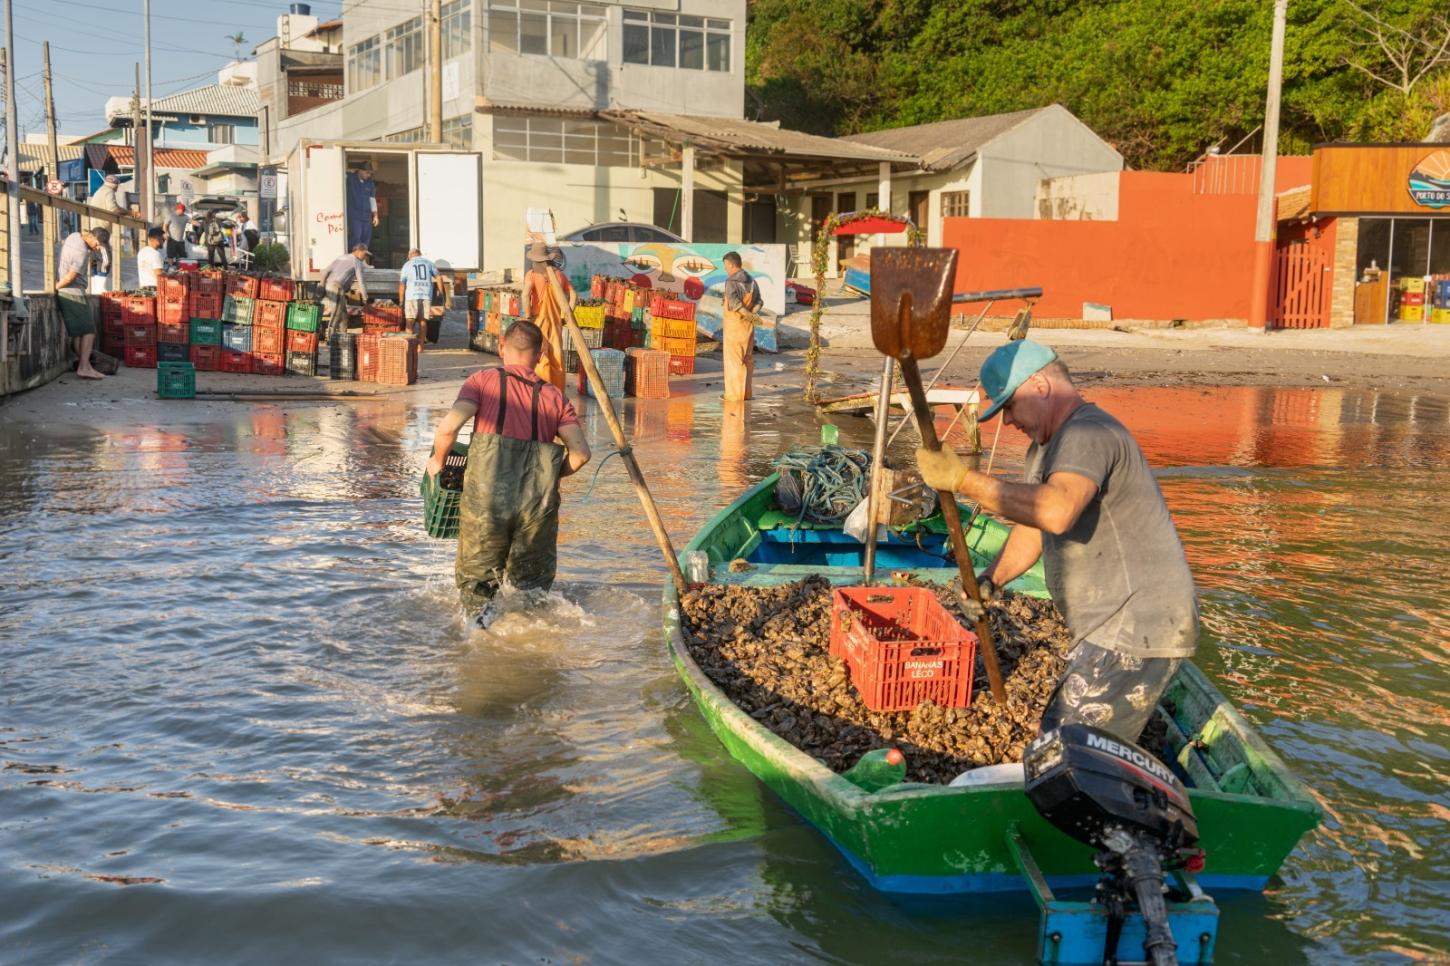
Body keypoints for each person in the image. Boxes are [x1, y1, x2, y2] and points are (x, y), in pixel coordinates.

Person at [913, 340, 1198, 744]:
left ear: (1041, 386)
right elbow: (1034, 526)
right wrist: (992, 578)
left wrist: (963, 481)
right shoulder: (1047, 449)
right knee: (1064, 745)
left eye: (1010, 407)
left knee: (1068, 753)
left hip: (1138, 627)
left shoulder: (1087, 432)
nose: (1008, 422)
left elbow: (1056, 511)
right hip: (1108, 628)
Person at [426, 320, 592, 629]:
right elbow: (581, 455)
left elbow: (449, 427)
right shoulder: (555, 397)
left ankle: (480, 644)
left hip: (487, 503)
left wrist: (438, 461)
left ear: (502, 346)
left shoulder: (482, 382)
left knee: (477, 591)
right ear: (540, 354)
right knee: (532, 594)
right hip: (537, 508)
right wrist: (549, 477)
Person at [54, 226, 111, 380]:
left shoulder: (74, 236)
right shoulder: (82, 252)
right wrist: (56, 287)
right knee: (89, 330)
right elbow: (70, 277)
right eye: (98, 244)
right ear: (91, 236)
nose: (97, 248)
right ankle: (84, 367)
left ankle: (86, 365)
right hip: (73, 292)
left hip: (70, 292)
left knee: (79, 333)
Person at [519, 241, 575, 391]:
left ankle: (540, 391)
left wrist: (528, 315)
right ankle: (556, 392)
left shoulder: (531, 275)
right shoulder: (559, 275)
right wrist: (567, 316)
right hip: (556, 321)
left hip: (538, 321)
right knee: (556, 355)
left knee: (540, 355)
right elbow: (573, 295)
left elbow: (525, 295)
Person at [720, 251, 761, 402]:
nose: (725, 269)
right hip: (748, 327)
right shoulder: (751, 281)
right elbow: (759, 302)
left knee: (734, 362)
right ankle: (746, 394)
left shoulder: (731, 282)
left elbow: (735, 304)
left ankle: (734, 396)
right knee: (747, 360)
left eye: (726, 266)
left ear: (731, 264)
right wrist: (752, 314)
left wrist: (745, 314)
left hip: (734, 327)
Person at [321, 242, 371, 339]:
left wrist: (322, 286)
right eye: (364, 254)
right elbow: (361, 281)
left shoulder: (341, 257)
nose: (365, 257)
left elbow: (325, 271)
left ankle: (343, 336)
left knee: (343, 314)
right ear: (359, 251)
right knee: (336, 313)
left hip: (331, 286)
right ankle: (330, 339)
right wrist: (365, 298)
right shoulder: (356, 262)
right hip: (337, 287)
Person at [398, 247, 438, 347]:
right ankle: (421, 346)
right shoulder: (429, 263)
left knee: (409, 322)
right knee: (423, 322)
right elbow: (439, 277)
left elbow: (402, 284)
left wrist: (401, 300)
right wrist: (442, 293)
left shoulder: (407, 265)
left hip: (412, 296)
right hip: (425, 296)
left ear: (410, 255)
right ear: (419, 254)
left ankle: (409, 347)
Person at [346, 160, 378, 251]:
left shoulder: (370, 183)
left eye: (370, 173)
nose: (369, 175)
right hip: (355, 215)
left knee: (366, 239)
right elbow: (342, 172)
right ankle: (352, 261)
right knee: (356, 237)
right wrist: (352, 171)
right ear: (360, 171)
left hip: (367, 216)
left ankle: (363, 261)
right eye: (367, 173)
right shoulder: (351, 179)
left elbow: (372, 199)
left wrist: (375, 215)